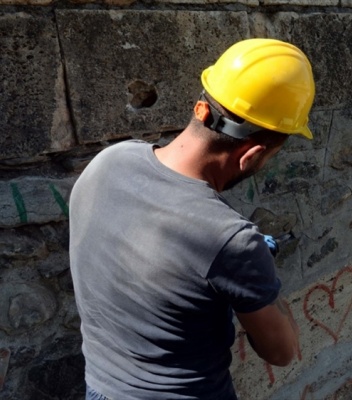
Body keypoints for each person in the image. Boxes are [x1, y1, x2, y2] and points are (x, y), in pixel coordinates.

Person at [69, 38, 315, 400]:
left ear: (201, 106)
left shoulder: (108, 161)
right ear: (252, 154)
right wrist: (260, 271)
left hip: (101, 388)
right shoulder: (232, 240)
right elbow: (281, 352)